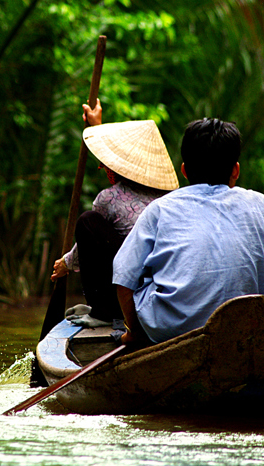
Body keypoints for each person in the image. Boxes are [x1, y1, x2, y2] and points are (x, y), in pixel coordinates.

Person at [112, 117, 264, 345]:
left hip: (169, 333)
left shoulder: (160, 209)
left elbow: (123, 274)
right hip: (241, 329)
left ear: (184, 170)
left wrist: (137, 332)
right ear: (236, 171)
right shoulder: (260, 204)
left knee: (144, 272)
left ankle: (136, 334)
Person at [50, 101, 178, 328]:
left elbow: (87, 243)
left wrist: (65, 264)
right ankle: (105, 309)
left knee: (87, 222)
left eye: (106, 165)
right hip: (166, 288)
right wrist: (96, 125)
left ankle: (102, 312)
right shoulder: (170, 196)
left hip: (132, 290)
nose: (102, 167)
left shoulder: (108, 198)